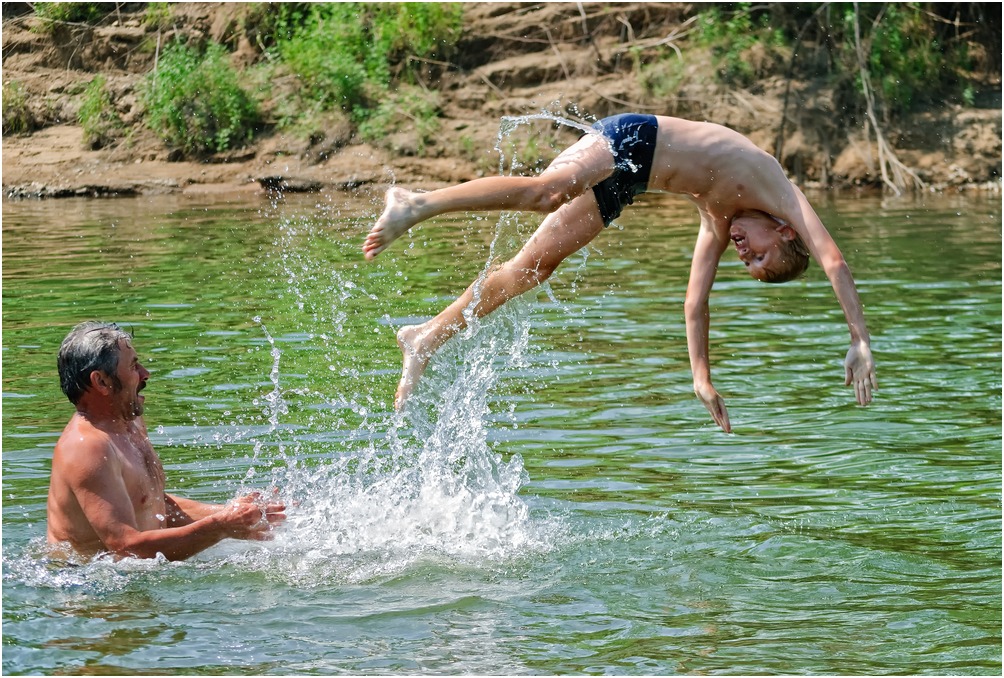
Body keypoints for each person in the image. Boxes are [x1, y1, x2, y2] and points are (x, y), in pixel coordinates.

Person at [363, 113, 876, 432]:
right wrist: (859, 339)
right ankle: (417, 203)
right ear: (787, 234)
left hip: (627, 183)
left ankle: (426, 338)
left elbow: (695, 304)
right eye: (759, 256)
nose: (745, 255)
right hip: (632, 138)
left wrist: (702, 379)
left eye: (747, 264)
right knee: (548, 192)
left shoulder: (720, 223)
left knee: (533, 269)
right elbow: (834, 260)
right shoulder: (780, 191)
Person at [46, 321, 286, 561]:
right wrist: (219, 527)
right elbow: (126, 547)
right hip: (87, 588)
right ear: (101, 382)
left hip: (125, 580)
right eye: (133, 366)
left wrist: (235, 514)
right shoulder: (87, 447)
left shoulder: (130, 424)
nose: (145, 374)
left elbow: (152, 504)